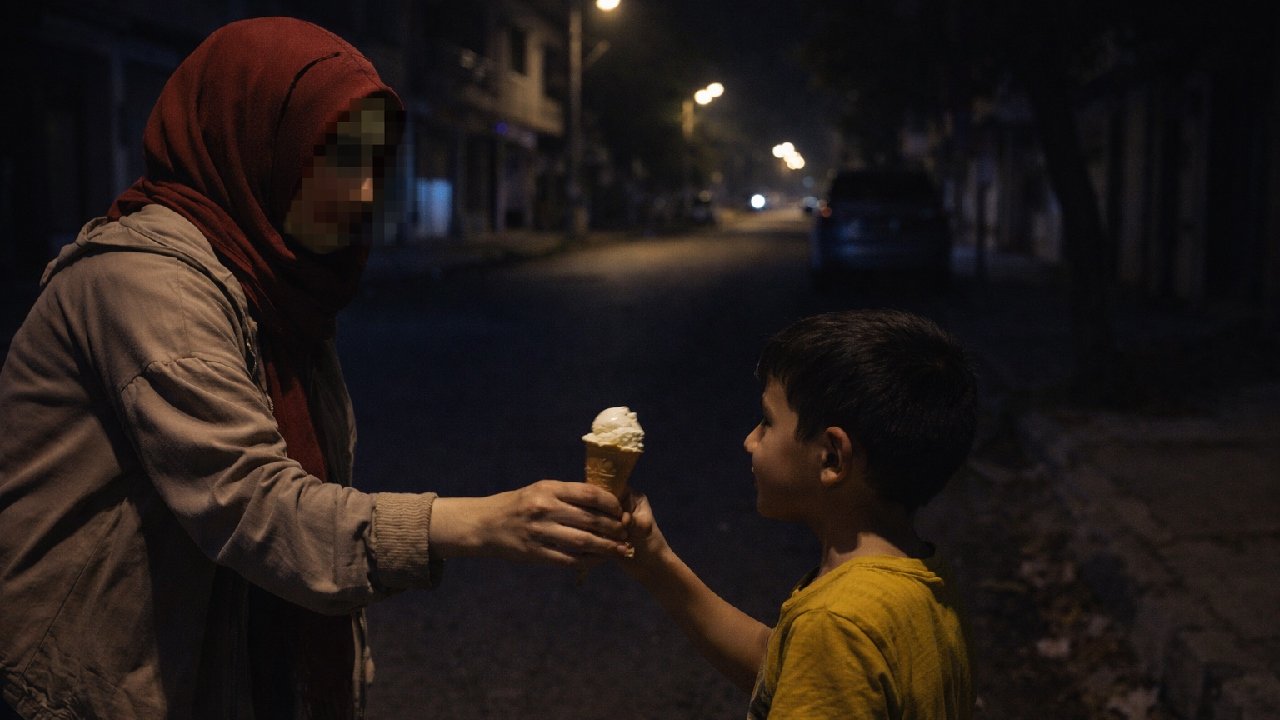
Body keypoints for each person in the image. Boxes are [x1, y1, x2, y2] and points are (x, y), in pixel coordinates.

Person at [0, 17, 630, 720]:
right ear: (254, 142)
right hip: (88, 691)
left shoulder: (274, 285)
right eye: (332, 157)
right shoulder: (150, 285)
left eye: (372, 165)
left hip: (221, 661)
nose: (362, 194)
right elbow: (257, 507)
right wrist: (488, 522)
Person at [620, 309, 978, 718]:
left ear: (831, 457)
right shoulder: (914, 579)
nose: (750, 441)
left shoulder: (836, 624)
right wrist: (656, 561)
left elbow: (820, 655)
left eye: (767, 423)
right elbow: (786, 670)